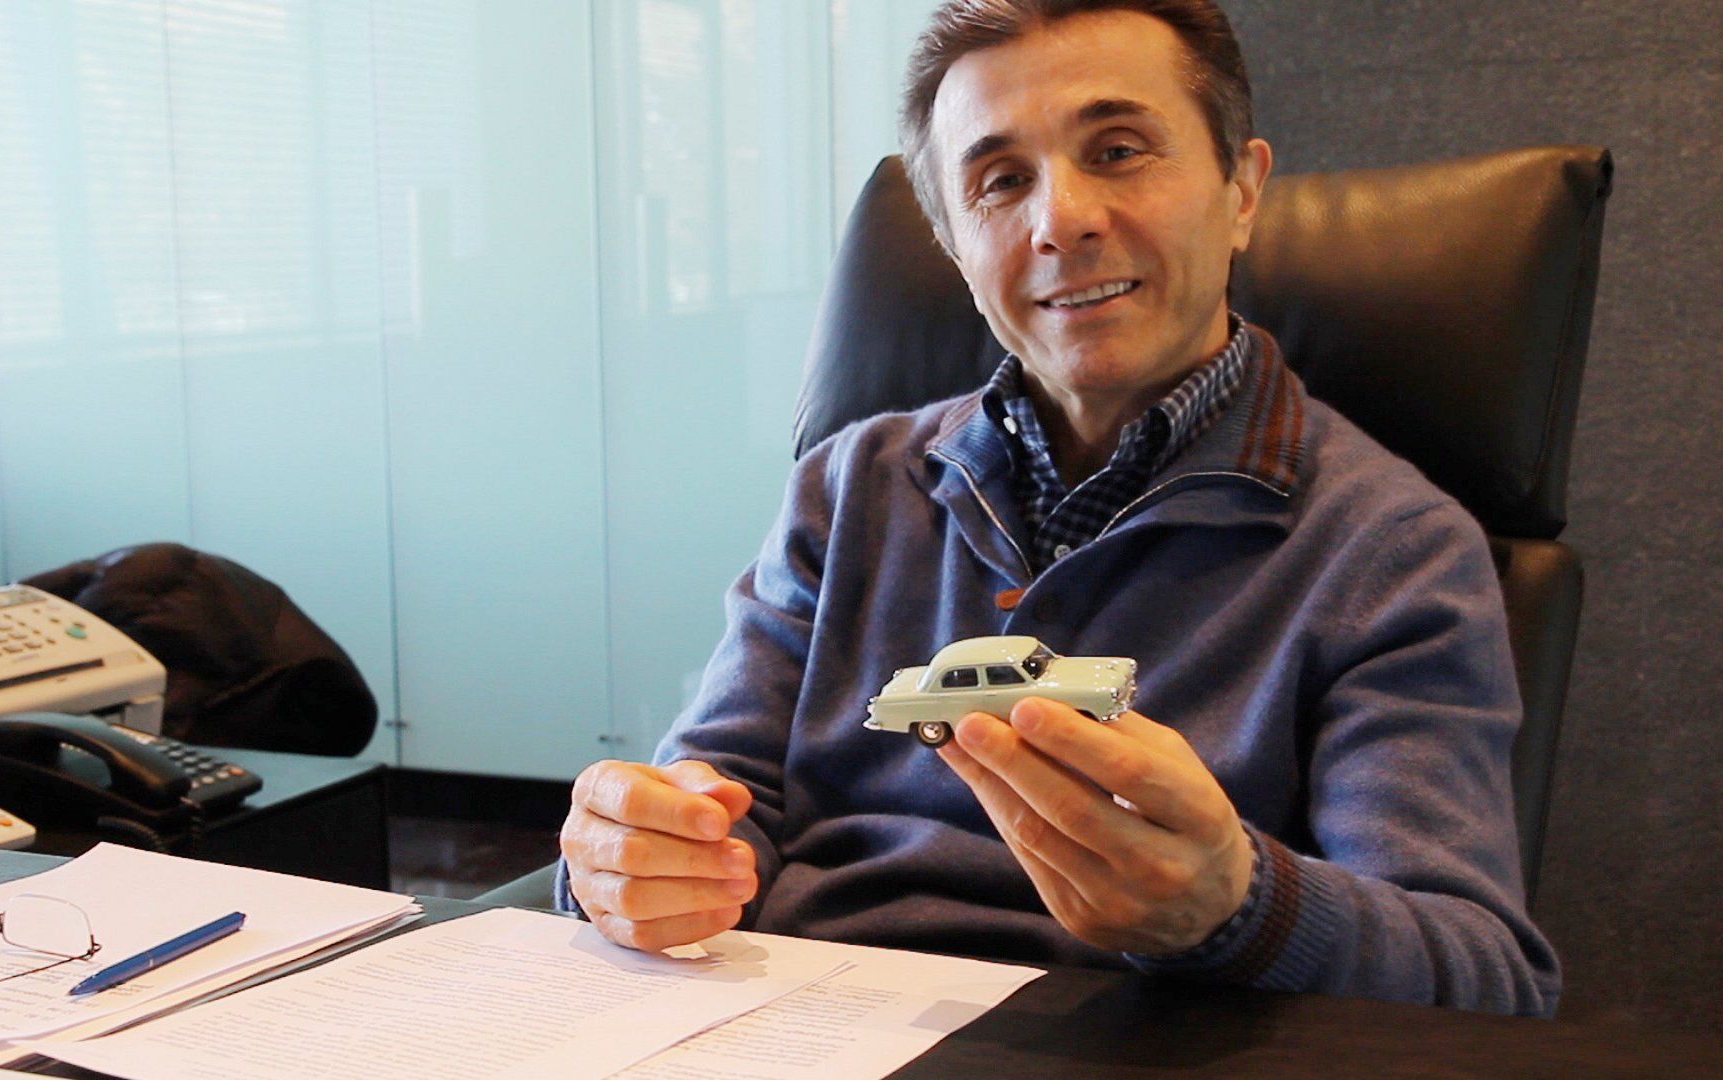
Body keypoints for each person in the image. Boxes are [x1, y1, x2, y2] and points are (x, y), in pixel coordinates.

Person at [556, 0, 1560, 1016]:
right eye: (1001, 181)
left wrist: (1239, 904)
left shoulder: (1394, 550)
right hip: (798, 1022)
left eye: (1118, 151)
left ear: (1242, 190)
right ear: (953, 246)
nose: (1060, 221)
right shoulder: (849, 484)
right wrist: (634, 859)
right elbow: (713, 796)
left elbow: (1485, 982)